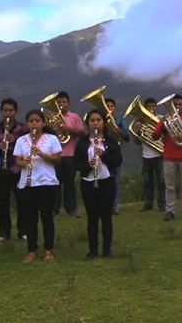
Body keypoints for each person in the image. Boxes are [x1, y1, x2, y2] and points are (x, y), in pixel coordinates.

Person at [14, 109, 63, 263]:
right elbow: (17, 162)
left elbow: (57, 160)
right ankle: (32, 250)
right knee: (30, 218)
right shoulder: (21, 140)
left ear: (43, 123)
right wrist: (25, 161)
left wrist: (41, 154)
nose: (34, 124)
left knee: (47, 217)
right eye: (31, 121)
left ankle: (48, 249)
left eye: (37, 121)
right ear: (27, 124)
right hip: (28, 183)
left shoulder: (51, 139)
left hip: (47, 182)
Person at [75, 110, 123, 259]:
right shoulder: (83, 142)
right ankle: (92, 250)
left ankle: (107, 250)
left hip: (107, 181)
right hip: (88, 182)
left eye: (98, 120)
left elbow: (117, 161)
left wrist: (104, 155)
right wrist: (88, 165)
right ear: (88, 123)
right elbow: (77, 164)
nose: (95, 123)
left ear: (103, 122)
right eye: (92, 120)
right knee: (92, 217)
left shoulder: (110, 141)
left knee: (106, 216)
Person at [0, 98, 30, 244]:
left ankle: (23, 231)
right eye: (5, 110)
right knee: (3, 203)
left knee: (22, 201)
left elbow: (29, 147)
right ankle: (4, 234)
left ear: (15, 112)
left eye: (10, 110)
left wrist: (15, 141)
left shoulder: (23, 129)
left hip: (18, 169)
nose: (8, 113)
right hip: (1, 170)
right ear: (1, 112)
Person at [152, 94, 182, 220]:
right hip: (169, 158)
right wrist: (162, 122)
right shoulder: (166, 121)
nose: (177, 107)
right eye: (174, 105)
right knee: (169, 186)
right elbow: (155, 136)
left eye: (179, 105)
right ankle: (170, 211)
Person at [51, 91, 85, 218]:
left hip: (70, 155)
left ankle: (71, 209)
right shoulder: (52, 118)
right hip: (54, 156)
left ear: (68, 103)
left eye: (64, 102)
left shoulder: (74, 117)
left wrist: (66, 129)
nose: (61, 104)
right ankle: (54, 210)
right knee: (55, 184)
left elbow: (81, 133)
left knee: (69, 184)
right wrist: (55, 128)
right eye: (59, 102)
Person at [137, 97, 165, 212]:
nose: (151, 108)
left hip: (159, 154)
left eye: (153, 106)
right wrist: (139, 132)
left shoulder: (160, 119)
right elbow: (136, 141)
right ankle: (148, 204)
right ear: (145, 108)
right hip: (146, 155)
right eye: (149, 106)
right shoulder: (140, 122)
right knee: (147, 182)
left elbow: (166, 135)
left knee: (161, 181)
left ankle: (162, 204)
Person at [104, 97, 131, 215]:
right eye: (107, 106)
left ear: (114, 108)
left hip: (115, 153)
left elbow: (127, 137)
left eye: (111, 106)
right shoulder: (100, 120)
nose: (109, 108)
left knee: (115, 181)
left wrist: (119, 131)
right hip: (102, 152)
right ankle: (103, 205)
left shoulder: (120, 121)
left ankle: (114, 207)